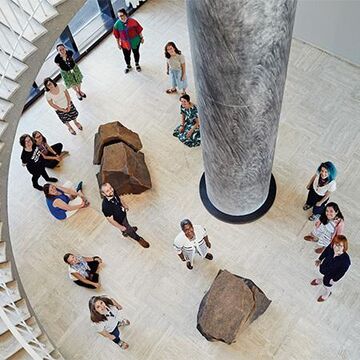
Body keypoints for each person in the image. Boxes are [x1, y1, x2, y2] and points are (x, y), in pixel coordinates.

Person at [101, 183, 149, 248]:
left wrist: (124, 205)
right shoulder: (106, 206)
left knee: (127, 224)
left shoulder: (113, 192)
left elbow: (119, 198)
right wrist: (121, 227)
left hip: (122, 214)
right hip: (119, 220)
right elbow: (110, 220)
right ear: (103, 194)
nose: (111, 191)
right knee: (128, 228)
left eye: (110, 188)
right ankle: (138, 238)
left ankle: (125, 232)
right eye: (107, 191)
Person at [311, 235, 351, 302]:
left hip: (332, 275)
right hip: (325, 267)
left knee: (326, 284)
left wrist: (334, 280)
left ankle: (328, 293)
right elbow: (325, 252)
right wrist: (320, 259)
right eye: (335, 244)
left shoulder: (346, 261)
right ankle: (322, 279)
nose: (336, 247)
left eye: (340, 246)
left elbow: (341, 273)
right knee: (323, 273)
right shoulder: (331, 247)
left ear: (344, 247)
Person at [113, 8, 144, 73]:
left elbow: (139, 30)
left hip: (135, 41)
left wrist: (141, 38)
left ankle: (137, 64)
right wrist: (118, 44)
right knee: (126, 55)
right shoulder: (116, 25)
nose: (121, 17)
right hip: (125, 44)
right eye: (119, 16)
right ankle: (128, 66)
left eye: (122, 15)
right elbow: (117, 36)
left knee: (136, 53)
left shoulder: (133, 21)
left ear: (125, 14)